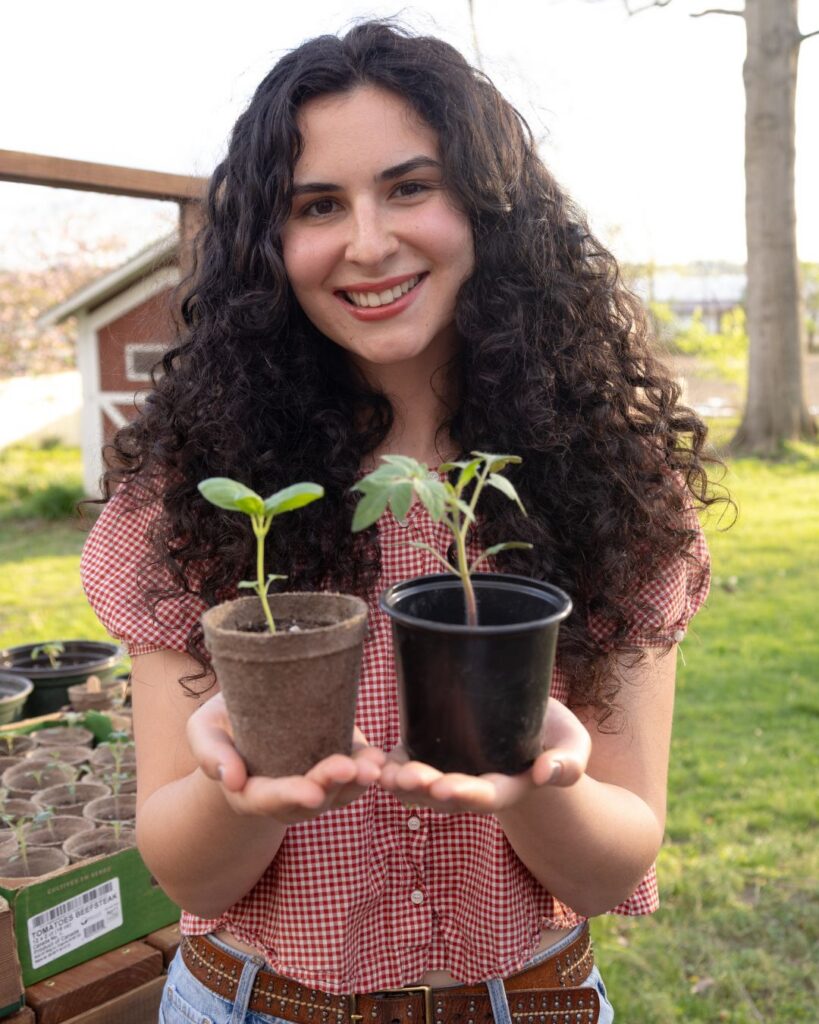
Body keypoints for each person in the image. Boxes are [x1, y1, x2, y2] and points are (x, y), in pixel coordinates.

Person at [80, 20, 721, 1024]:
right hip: (254, 1003)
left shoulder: (611, 482)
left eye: (410, 187)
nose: (368, 242)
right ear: (268, 242)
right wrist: (236, 793)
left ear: (489, 208)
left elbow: (613, 862)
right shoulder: (193, 490)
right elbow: (190, 875)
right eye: (317, 205)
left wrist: (534, 779)